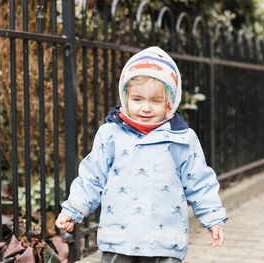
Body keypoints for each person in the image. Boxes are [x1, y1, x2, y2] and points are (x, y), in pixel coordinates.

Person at [55, 46, 227, 263]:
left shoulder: (182, 138)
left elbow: (199, 181)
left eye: (155, 101)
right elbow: (92, 177)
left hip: (164, 242)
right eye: (137, 99)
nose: (146, 108)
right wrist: (72, 210)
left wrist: (213, 219)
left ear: (170, 103)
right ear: (125, 97)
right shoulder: (111, 134)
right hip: (120, 239)